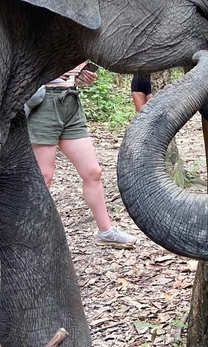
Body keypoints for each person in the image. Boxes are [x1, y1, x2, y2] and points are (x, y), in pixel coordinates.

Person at [27, 64, 136, 249]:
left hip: (71, 101)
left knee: (92, 172)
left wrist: (79, 78)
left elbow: (69, 76)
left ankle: (106, 232)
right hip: (44, 103)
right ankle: (31, 236)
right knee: (44, 176)